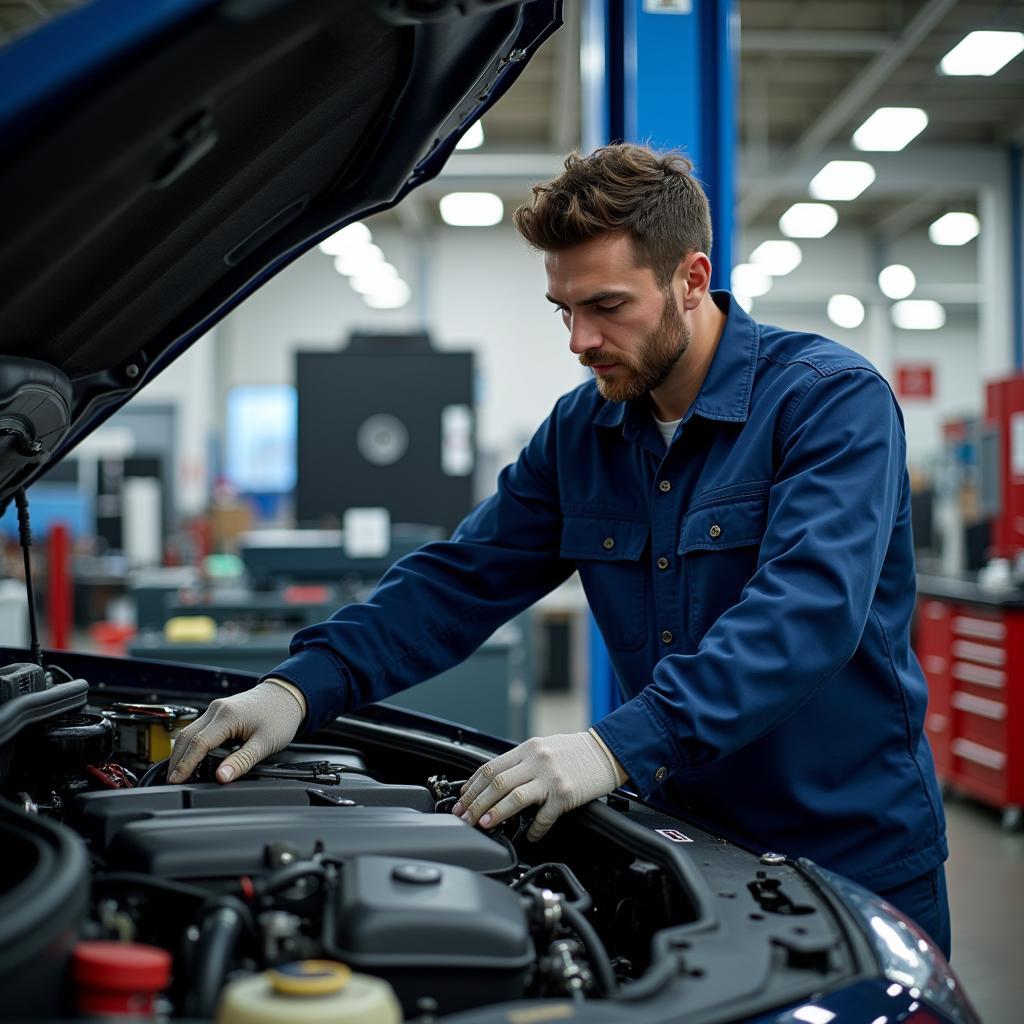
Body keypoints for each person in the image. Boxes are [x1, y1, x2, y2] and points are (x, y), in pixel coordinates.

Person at [168, 144, 950, 956]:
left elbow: (806, 614)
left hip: (850, 858)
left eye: (607, 305)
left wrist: (618, 745)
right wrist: (300, 687)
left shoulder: (828, 402)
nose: (581, 340)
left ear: (691, 277)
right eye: (563, 310)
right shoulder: (585, 432)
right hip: (688, 850)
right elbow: (458, 582)